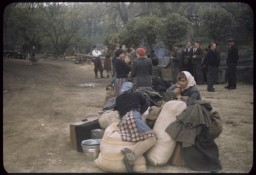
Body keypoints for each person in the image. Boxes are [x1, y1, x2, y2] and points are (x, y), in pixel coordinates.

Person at [115, 82, 156, 172]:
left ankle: (130, 154)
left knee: (142, 138)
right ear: (132, 89)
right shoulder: (137, 94)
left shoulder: (118, 98)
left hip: (123, 122)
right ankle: (130, 158)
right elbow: (146, 103)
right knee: (152, 139)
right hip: (133, 116)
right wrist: (141, 113)